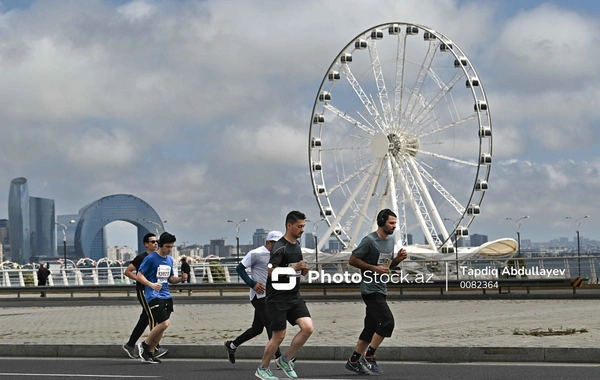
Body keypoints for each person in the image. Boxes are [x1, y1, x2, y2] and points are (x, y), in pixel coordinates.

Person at [345, 208, 407, 375]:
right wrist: (373, 268)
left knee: (370, 328)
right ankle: (369, 355)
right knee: (387, 322)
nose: (394, 226)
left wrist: (397, 260)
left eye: (395, 223)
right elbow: (353, 259)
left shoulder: (391, 240)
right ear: (381, 222)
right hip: (370, 290)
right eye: (391, 223)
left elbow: (385, 267)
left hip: (381, 288)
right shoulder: (369, 241)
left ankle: (353, 361)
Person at [256, 211, 313, 380]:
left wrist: (302, 270)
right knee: (279, 335)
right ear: (289, 226)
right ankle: (263, 368)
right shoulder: (279, 247)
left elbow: (295, 270)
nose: (302, 229)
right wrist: (294, 268)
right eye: (300, 226)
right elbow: (271, 272)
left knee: (308, 327)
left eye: (304, 226)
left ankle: (285, 359)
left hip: (294, 297)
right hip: (277, 299)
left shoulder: (296, 246)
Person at [224, 230, 284, 364]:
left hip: (271, 295)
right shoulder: (256, 253)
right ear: (268, 242)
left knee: (257, 328)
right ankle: (279, 357)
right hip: (259, 296)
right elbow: (239, 269)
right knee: (270, 323)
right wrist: (252, 284)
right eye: (276, 243)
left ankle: (232, 345)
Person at [135, 232, 188, 364]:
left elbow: (170, 278)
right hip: (153, 295)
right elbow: (139, 275)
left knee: (161, 326)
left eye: (172, 247)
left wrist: (181, 279)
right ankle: (145, 345)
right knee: (165, 323)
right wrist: (151, 285)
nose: (170, 249)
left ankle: (150, 352)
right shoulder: (151, 258)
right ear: (160, 245)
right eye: (167, 246)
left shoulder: (170, 260)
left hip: (166, 295)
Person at [121, 233, 168, 359]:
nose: (155, 243)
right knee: (153, 316)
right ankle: (154, 348)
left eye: (156, 241)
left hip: (155, 292)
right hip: (143, 291)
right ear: (146, 244)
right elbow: (127, 271)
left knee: (145, 319)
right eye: (152, 242)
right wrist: (140, 280)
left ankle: (130, 345)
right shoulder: (141, 258)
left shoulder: (157, 257)